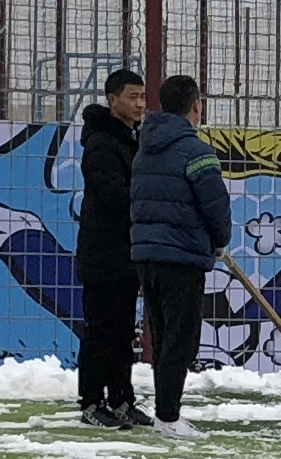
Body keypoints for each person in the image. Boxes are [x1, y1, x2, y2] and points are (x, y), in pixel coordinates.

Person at [125, 74, 231, 429]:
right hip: (182, 256)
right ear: (196, 106)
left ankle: (165, 411)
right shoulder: (196, 153)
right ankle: (168, 416)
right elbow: (215, 205)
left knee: (163, 335)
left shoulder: (144, 150)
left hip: (148, 255)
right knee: (181, 341)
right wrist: (219, 240)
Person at [75, 67, 151, 425]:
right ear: (112, 99)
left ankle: (122, 399)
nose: (140, 104)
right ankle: (91, 402)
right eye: (133, 97)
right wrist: (149, 197)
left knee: (123, 332)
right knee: (101, 330)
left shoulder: (133, 140)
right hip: (103, 254)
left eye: (143, 97)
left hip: (126, 254)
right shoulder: (101, 144)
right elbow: (113, 196)